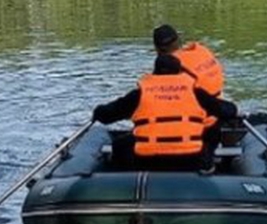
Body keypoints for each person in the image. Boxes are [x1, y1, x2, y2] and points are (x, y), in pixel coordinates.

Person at [92, 53, 238, 173]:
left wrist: (98, 112)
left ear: (154, 72)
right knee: (209, 136)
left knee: (119, 145)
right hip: (190, 159)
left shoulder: (140, 94)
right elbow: (229, 110)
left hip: (147, 160)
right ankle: (211, 174)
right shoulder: (196, 92)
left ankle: (123, 183)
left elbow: (107, 115)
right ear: (180, 72)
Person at [152, 24, 225, 98]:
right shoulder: (201, 50)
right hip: (219, 98)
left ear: (157, 48)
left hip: (199, 105)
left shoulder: (170, 65)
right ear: (178, 40)